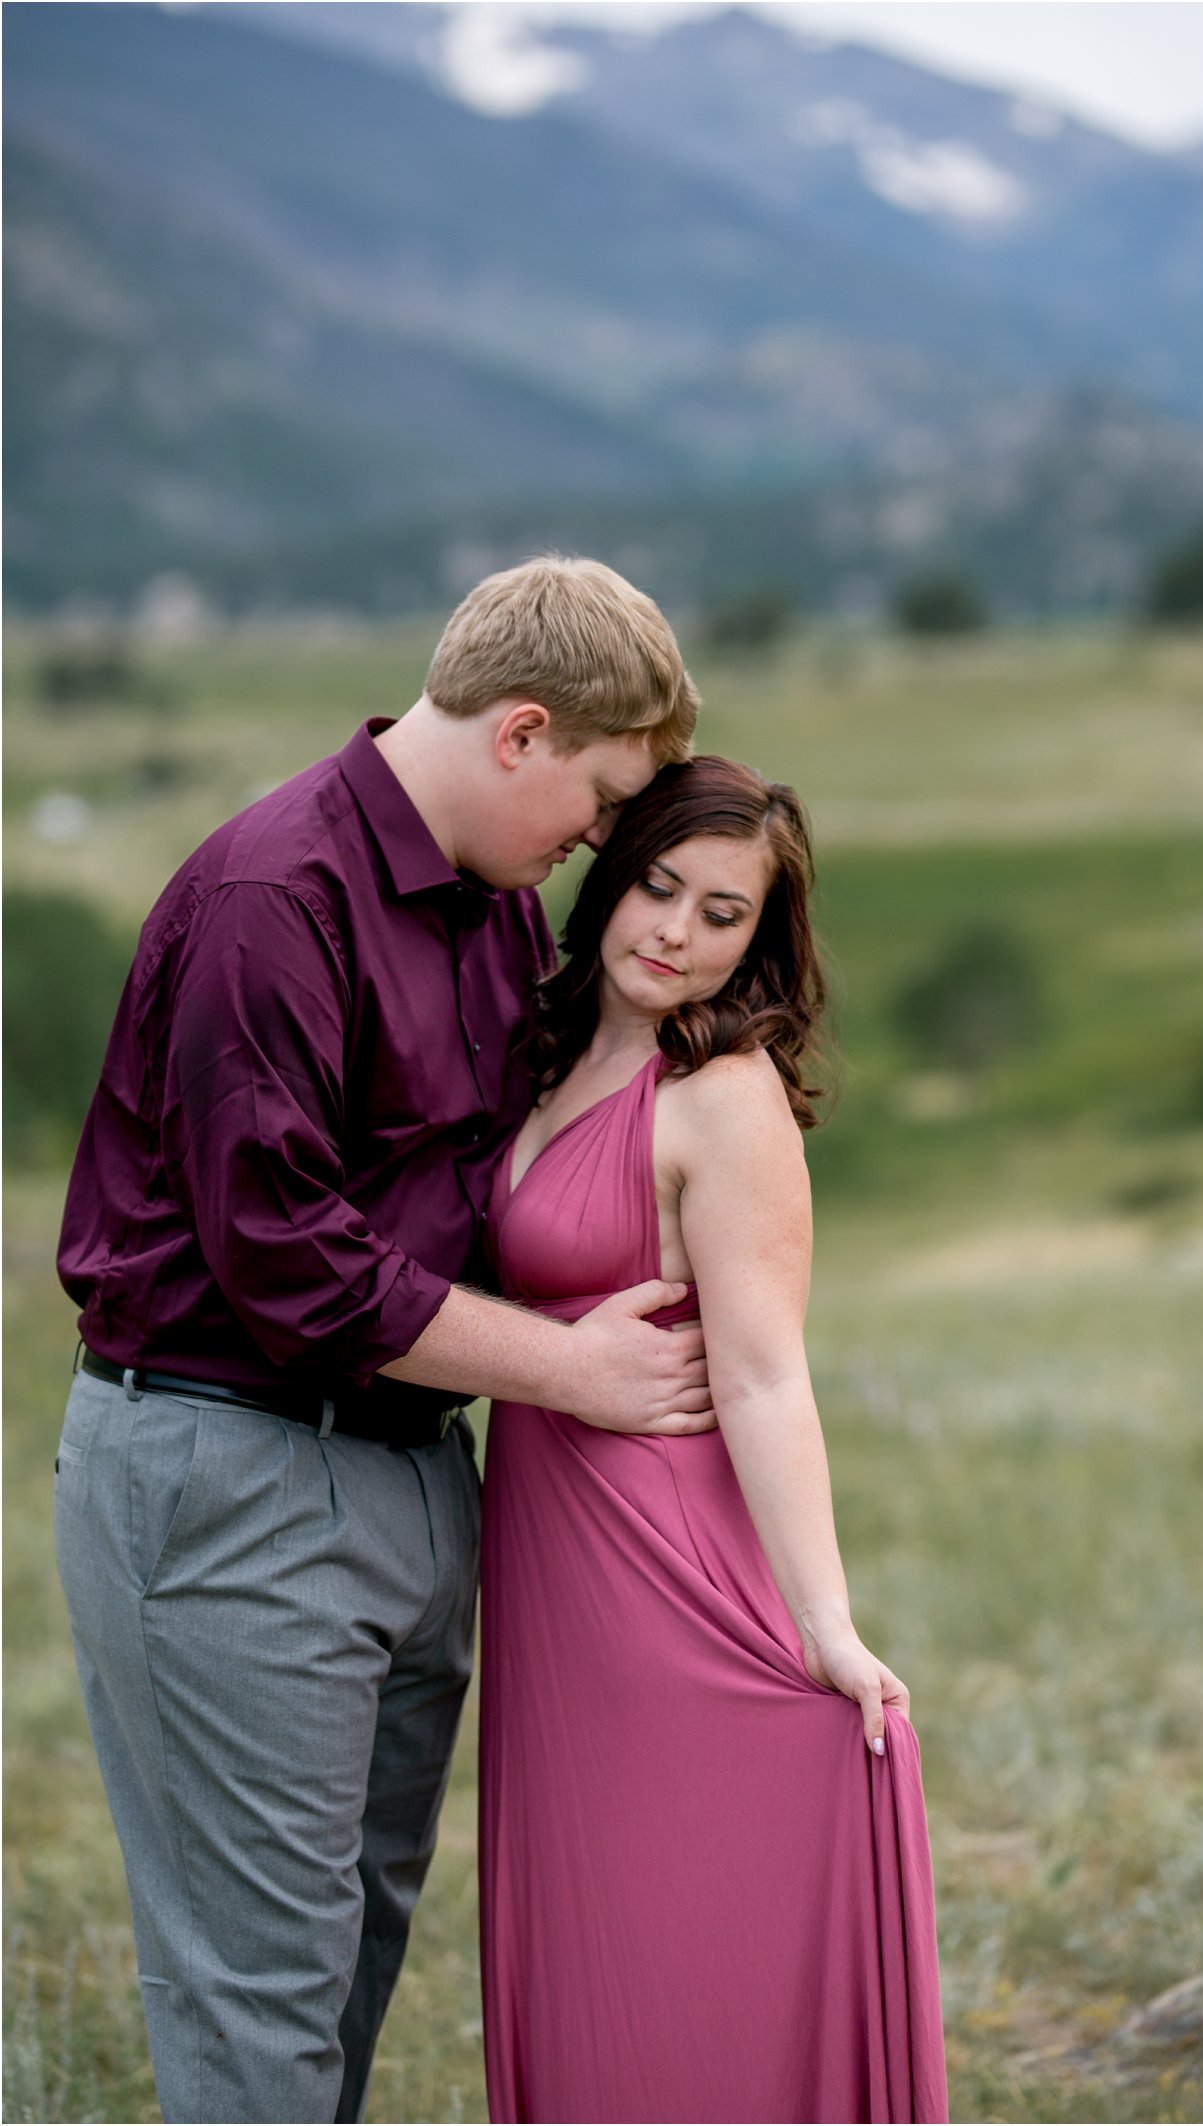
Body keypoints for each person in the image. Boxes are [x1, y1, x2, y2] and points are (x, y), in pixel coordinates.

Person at [52, 555, 709, 2121]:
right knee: (259, 2007)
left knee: (343, 1970)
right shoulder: (270, 901)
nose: (597, 846)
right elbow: (288, 1263)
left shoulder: (487, 905)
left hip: (415, 1473)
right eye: (602, 802)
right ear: (521, 733)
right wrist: (575, 1371)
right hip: (236, 1479)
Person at [477, 755, 946, 2124]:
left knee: (678, 1940)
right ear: (610, 874)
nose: (675, 931)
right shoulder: (547, 1049)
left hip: (664, 1563)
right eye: (659, 886)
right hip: (553, 1566)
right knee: (588, 1940)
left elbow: (759, 1373)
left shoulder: (722, 1095)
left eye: (723, 913)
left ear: (763, 938)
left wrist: (826, 1621)